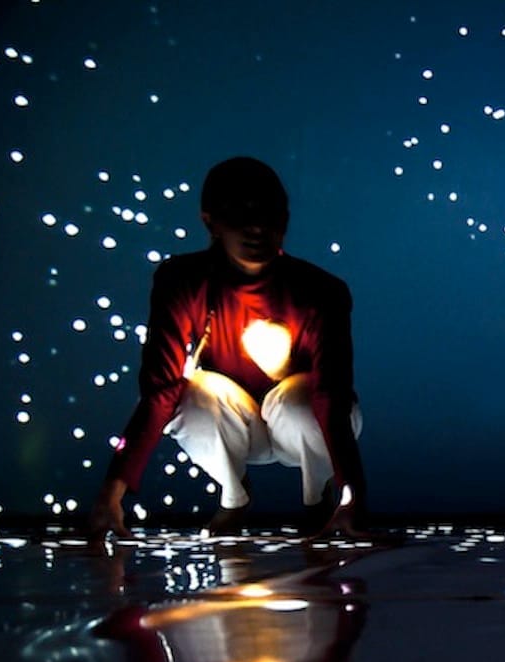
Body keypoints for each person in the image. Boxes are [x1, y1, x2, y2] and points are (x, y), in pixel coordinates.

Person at [86, 156, 367, 540]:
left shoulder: (322, 291)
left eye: (268, 214)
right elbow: (160, 390)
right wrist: (111, 491)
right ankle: (234, 498)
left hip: (300, 423)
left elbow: (331, 398)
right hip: (233, 424)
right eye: (239, 213)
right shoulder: (182, 281)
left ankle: (315, 497)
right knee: (194, 390)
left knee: (297, 398)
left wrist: (351, 496)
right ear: (210, 221)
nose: (256, 227)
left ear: (284, 220)